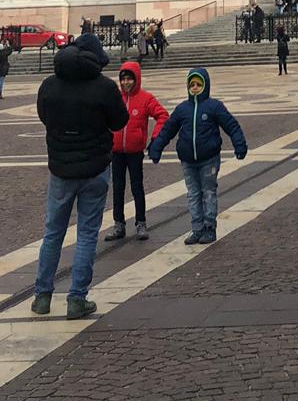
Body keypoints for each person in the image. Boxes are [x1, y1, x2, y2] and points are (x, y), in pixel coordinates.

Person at [32, 36, 128, 318]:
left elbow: (44, 116)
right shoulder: (105, 87)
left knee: (53, 233)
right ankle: (77, 299)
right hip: (95, 169)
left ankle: (42, 296)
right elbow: (120, 121)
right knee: (87, 234)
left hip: (61, 168)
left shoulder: (49, 85)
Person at [148, 68, 247, 245]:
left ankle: (209, 227)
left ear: (205, 86)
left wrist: (239, 145)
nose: (195, 87)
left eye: (198, 84)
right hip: (188, 160)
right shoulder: (182, 109)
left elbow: (231, 126)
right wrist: (156, 148)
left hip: (208, 158)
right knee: (193, 194)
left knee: (208, 192)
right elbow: (167, 130)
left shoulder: (213, 106)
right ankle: (196, 228)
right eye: (192, 84)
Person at [104, 60, 168, 242]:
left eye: (129, 79)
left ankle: (141, 222)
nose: (125, 83)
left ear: (136, 79)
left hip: (134, 151)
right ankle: (119, 224)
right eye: (123, 79)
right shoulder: (116, 98)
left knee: (137, 187)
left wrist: (155, 138)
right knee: (117, 187)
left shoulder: (145, 98)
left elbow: (163, 115)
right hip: (116, 151)